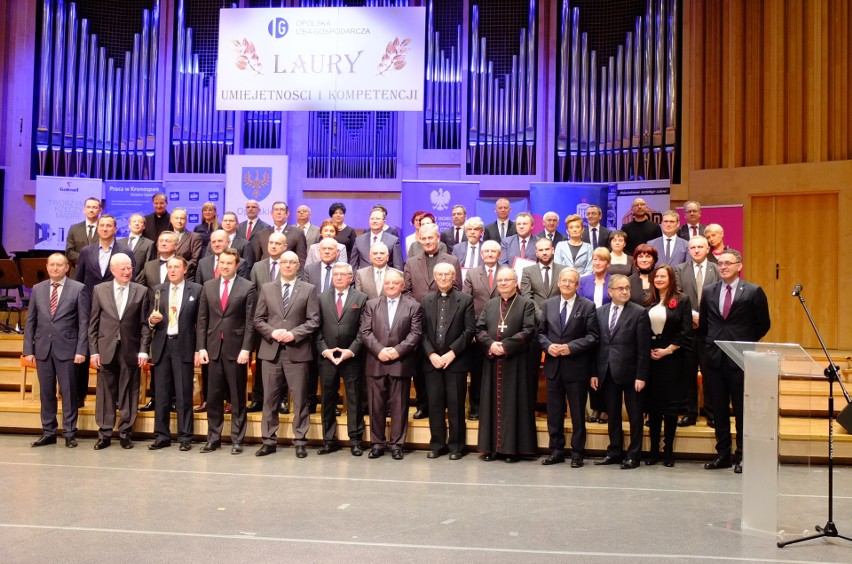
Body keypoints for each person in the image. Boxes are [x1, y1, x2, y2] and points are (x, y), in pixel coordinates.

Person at [699, 249, 770, 474]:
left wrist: (745, 341)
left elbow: (763, 324)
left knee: (741, 409)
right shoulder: (709, 291)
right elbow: (703, 326)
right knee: (718, 410)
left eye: (728, 263)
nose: (723, 267)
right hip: (714, 358)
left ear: (739, 265)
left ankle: (743, 455)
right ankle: (723, 454)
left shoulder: (753, 291)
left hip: (740, 357)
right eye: (720, 263)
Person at [254, 251, 320, 458]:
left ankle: (300, 440)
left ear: (298, 265)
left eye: (292, 262)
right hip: (271, 351)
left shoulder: (309, 289)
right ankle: (268, 440)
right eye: (285, 262)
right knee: (269, 399)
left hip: (297, 350)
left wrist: (293, 334)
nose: (288, 265)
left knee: (300, 399)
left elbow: (313, 321)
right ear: (279, 264)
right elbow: (258, 319)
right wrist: (272, 332)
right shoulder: (266, 288)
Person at [24, 253, 90, 448]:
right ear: (47, 267)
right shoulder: (37, 289)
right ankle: (49, 431)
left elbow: (83, 322)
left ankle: (70, 432)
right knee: (46, 393)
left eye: (59, 265)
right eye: (51, 265)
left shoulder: (78, 288)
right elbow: (31, 321)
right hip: (43, 348)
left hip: (68, 349)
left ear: (66, 267)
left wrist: (81, 349)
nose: (55, 268)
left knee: (69, 392)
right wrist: (29, 349)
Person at [88, 253, 151, 450]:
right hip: (106, 349)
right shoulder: (100, 290)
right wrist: (94, 351)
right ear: (112, 270)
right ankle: (105, 433)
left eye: (129, 268)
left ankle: (125, 432)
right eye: (122, 268)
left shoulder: (141, 291)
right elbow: (94, 324)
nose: (126, 271)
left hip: (130, 349)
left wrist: (143, 350)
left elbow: (144, 325)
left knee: (129, 391)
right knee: (106, 392)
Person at [537, 268, 599, 468]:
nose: (566, 284)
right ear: (558, 283)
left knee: (578, 412)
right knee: (554, 411)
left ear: (577, 285)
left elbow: (593, 336)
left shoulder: (588, 306)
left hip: (576, 367)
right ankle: (556, 450)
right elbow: (540, 334)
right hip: (553, 366)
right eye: (563, 280)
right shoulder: (548, 305)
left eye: (571, 281)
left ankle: (577, 452)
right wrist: (548, 346)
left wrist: (570, 348)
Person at [197, 249, 256, 455]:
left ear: (236, 265)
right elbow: (202, 320)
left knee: (237, 397)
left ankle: (237, 439)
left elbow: (250, 322)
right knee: (212, 396)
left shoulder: (248, 287)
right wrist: (201, 347)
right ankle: (213, 438)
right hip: (213, 349)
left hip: (236, 349)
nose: (224, 266)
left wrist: (247, 348)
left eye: (229, 263)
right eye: (222, 262)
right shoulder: (208, 286)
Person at [359, 269, 423, 460]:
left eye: (395, 283)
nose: (391, 286)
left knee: (399, 405)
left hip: (400, 361)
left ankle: (397, 444)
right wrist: (379, 350)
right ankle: (377, 443)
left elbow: (415, 334)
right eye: (387, 283)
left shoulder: (414, 306)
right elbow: (365, 332)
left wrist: (397, 351)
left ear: (402, 286)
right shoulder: (371, 305)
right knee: (376, 405)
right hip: (376, 361)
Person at [476, 268, 537, 462]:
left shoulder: (526, 304)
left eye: (507, 280)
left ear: (515, 282)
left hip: (515, 362)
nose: (503, 283)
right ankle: (492, 448)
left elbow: (529, 330)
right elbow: (480, 329)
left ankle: (512, 449)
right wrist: (491, 345)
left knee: (513, 404)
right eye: (500, 280)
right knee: (491, 404)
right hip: (492, 361)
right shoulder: (490, 304)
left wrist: (505, 347)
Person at [403, 223, 462, 419]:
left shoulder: (452, 260)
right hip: (419, 317)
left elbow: (459, 289)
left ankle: (443, 404)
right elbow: (406, 290)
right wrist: (418, 308)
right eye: (424, 238)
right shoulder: (411, 262)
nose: (427, 242)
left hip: (445, 318)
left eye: (431, 238)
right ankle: (423, 404)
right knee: (421, 364)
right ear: (419, 240)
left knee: (444, 362)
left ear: (438, 238)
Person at [74, 214, 135, 407]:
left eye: (109, 226)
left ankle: (116, 398)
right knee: (85, 346)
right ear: (97, 228)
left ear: (116, 229)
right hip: (89, 306)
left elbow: (129, 279)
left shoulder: (125, 250)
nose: (105, 229)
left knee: (114, 352)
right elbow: (79, 281)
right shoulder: (86, 251)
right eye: (102, 225)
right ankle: (79, 395)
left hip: (115, 310)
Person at [592, 274, 650, 469]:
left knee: (634, 416)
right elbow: (597, 345)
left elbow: (643, 348)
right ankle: (614, 451)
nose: (625, 291)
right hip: (607, 371)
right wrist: (594, 372)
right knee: (613, 415)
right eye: (620, 288)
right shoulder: (600, 312)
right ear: (610, 292)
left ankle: (634, 455)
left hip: (632, 373)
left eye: (627, 288)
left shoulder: (639, 312)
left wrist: (641, 375)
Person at [146, 257, 202, 452]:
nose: (172, 270)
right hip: (163, 345)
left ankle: (185, 435)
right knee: (161, 394)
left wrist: (198, 348)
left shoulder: (196, 290)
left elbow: (201, 323)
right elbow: (149, 320)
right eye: (169, 267)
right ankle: (162, 435)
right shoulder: (158, 290)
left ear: (185, 269)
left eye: (176, 267)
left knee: (184, 393)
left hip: (184, 345)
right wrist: (152, 321)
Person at [421, 263, 476, 460]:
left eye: (447, 274)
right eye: (440, 275)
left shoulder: (466, 300)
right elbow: (422, 332)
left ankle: (456, 446)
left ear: (454, 277)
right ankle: (437, 444)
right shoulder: (426, 300)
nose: (443, 278)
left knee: (456, 405)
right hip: (432, 362)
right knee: (435, 405)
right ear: (435, 278)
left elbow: (469, 331)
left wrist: (451, 353)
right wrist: (431, 355)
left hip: (456, 361)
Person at [316, 263, 368, 456]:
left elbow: (364, 329)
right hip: (327, 356)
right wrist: (324, 350)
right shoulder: (321, 298)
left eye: (342, 275)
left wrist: (351, 350)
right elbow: (316, 328)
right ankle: (329, 440)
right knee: (328, 399)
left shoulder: (361, 298)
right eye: (335, 274)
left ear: (350, 277)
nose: (338, 277)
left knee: (354, 398)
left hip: (351, 357)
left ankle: (355, 440)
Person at [643, 264, 692, 467]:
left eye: (663, 276)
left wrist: (667, 350)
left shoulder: (682, 300)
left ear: (671, 279)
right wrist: (647, 350)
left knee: (670, 409)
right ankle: (653, 450)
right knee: (653, 408)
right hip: (651, 360)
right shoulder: (648, 301)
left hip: (672, 359)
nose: (659, 279)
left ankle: (668, 450)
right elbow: (641, 329)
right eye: (657, 276)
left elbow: (686, 331)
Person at [674, 235, 720, 427]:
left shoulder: (717, 269)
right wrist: (692, 314)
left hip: (710, 329)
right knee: (687, 373)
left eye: (700, 247)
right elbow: (676, 294)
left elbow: (720, 294)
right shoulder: (679, 269)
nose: (697, 250)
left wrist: (704, 316)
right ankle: (689, 413)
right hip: (688, 328)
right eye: (693, 248)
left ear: (708, 249)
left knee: (710, 373)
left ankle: (711, 413)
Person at [462, 240, 505, 420]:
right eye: (486, 251)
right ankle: (476, 408)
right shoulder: (472, 274)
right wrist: (471, 330)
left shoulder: (506, 273)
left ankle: (499, 409)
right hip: (478, 332)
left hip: (501, 329)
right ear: (481, 254)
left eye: (493, 251)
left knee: (500, 372)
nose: (489, 254)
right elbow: (466, 303)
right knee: (478, 372)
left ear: (499, 254)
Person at [247, 231, 288, 414]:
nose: (273, 246)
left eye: (277, 243)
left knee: (284, 363)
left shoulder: (291, 265)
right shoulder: (257, 267)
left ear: (285, 247)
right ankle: (258, 398)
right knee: (262, 362)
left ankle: (282, 399)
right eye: (271, 242)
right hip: (262, 324)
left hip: (285, 324)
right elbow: (252, 295)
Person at [578, 247, 612, 424]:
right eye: (595, 259)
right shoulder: (584, 281)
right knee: (591, 368)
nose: (597, 263)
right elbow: (580, 303)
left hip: (608, 329)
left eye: (602, 260)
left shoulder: (613, 281)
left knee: (605, 369)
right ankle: (595, 407)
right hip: (588, 329)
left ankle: (605, 408)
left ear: (608, 263)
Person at [252, 201, 308, 265]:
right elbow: (256, 260)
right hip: (265, 273)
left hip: (288, 272)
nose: (278, 212)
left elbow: (301, 260)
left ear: (287, 213)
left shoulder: (298, 233)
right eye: (276, 210)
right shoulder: (261, 234)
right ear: (272, 214)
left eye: (282, 210)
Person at [66, 197, 102, 271]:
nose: (91, 210)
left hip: (98, 272)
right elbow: (69, 252)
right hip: (77, 271)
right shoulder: (74, 228)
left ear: (100, 210)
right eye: (88, 207)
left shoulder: (105, 229)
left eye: (94, 207)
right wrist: (84, 260)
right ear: (84, 210)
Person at [169, 208, 202, 279]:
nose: (179, 221)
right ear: (171, 220)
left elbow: (195, 260)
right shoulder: (165, 237)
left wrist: (179, 268)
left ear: (186, 221)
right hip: (167, 274)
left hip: (186, 276)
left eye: (182, 218)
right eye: (176, 218)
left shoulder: (194, 237)